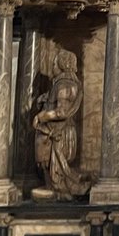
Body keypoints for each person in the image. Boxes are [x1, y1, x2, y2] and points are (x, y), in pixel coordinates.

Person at [33, 50, 89, 198]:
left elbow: (61, 112)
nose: (52, 66)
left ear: (62, 64)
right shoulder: (65, 83)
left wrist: (41, 116)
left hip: (59, 133)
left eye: (54, 63)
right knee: (47, 165)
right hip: (58, 131)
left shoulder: (64, 84)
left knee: (52, 167)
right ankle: (54, 187)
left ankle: (60, 190)